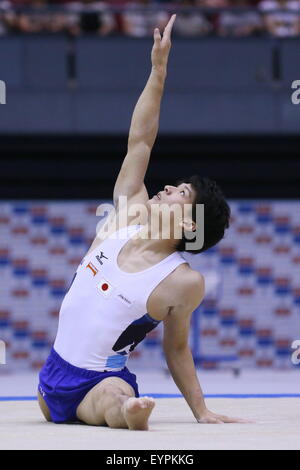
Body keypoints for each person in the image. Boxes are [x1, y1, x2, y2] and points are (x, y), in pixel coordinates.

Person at [37, 14, 249, 430]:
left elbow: (178, 349)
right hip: (50, 378)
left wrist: (201, 411)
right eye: (173, 186)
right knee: (61, 403)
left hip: (99, 381)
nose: (167, 188)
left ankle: (131, 413)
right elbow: (141, 139)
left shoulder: (183, 281)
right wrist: (158, 71)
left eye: (180, 194)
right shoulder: (126, 216)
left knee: (114, 400)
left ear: (190, 227)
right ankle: (115, 407)